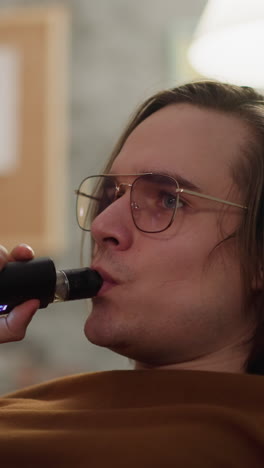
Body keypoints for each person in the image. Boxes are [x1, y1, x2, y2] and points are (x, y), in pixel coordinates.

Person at [0, 80, 264, 467]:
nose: (103, 224)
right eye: (112, 195)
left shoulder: (231, 445)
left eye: (169, 199)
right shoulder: (39, 406)